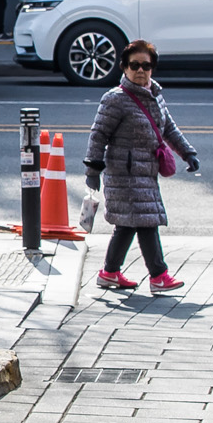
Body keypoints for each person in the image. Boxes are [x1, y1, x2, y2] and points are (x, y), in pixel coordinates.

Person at [84, 40, 199, 294]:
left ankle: (109, 273)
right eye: (134, 65)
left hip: (145, 172)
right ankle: (159, 276)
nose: (140, 70)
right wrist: (93, 170)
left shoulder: (155, 96)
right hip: (124, 174)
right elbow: (98, 134)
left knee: (128, 224)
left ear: (152, 68)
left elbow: (168, 128)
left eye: (146, 65)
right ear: (124, 67)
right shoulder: (115, 99)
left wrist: (187, 153)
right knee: (147, 222)